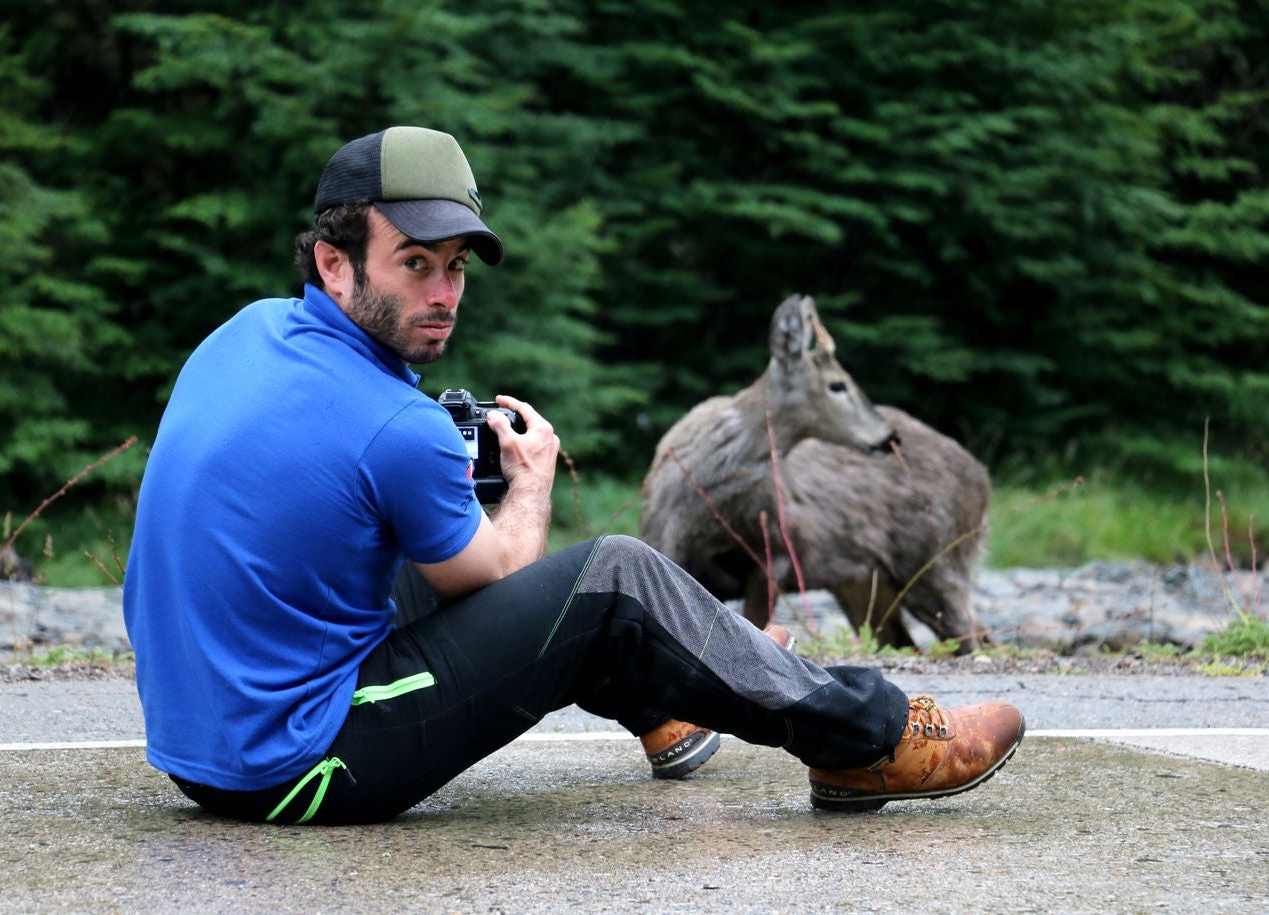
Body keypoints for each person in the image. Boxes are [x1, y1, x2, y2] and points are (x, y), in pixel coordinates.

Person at [123, 126, 1024, 825]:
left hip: (195, 740)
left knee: (435, 520)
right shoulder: (395, 427)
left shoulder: (242, 333)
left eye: (455, 267)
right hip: (294, 766)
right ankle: (869, 738)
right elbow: (510, 579)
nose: (443, 294)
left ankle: (687, 687)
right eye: (413, 264)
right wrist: (535, 481)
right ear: (332, 259)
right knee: (610, 580)